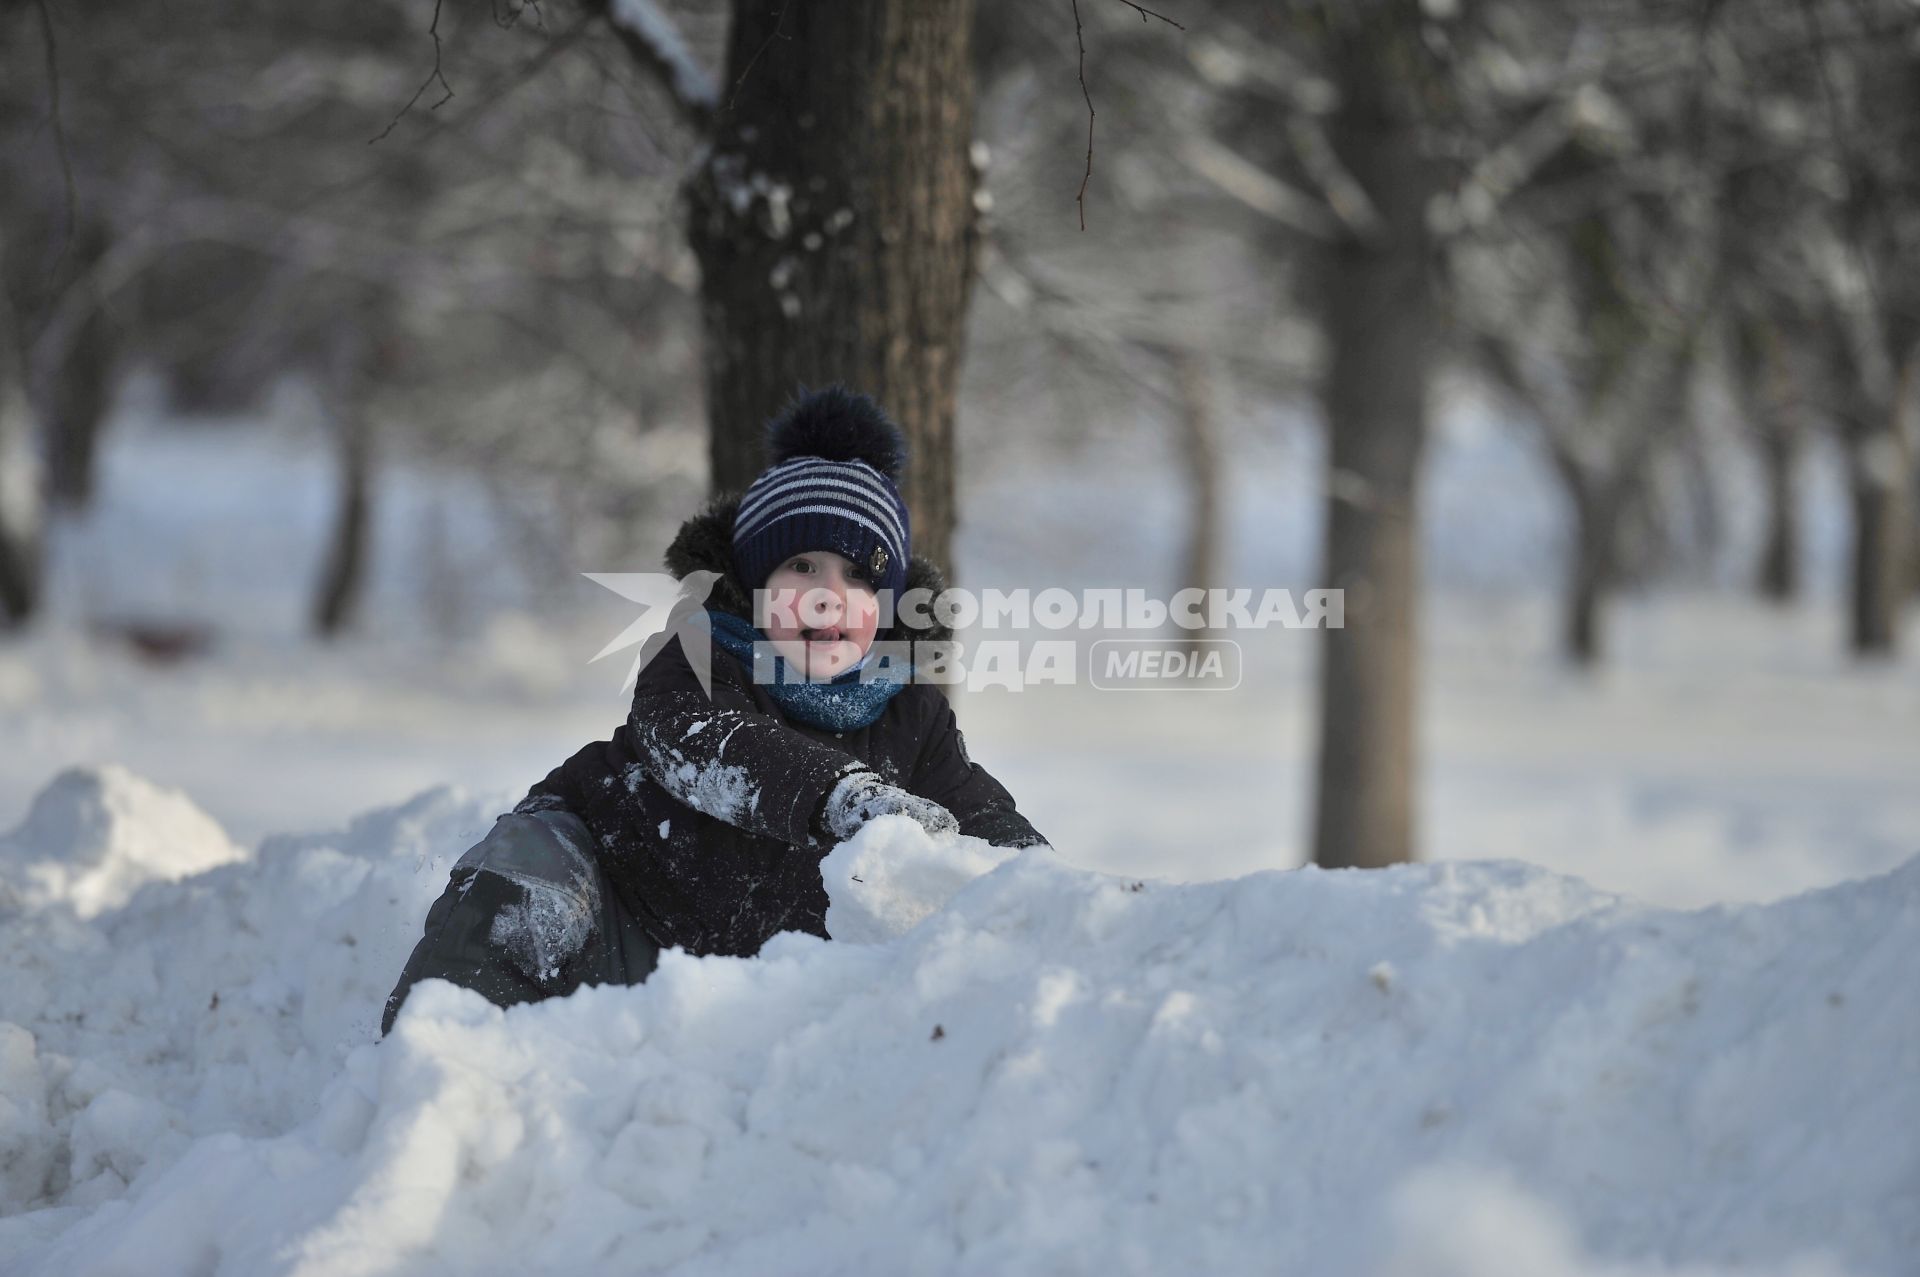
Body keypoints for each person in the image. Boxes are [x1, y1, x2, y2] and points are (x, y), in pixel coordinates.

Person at [381, 386, 1047, 1036]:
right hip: (625, 921)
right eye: (803, 566)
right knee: (528, 867)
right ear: (754, 585)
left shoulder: (910, 713)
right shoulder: (700, 655)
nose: (829, 597)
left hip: (754, 990)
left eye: (861, 577)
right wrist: (843, 795)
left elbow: (983, 816)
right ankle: (438, 1053)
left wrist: (1047, 889)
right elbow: (706, 743)